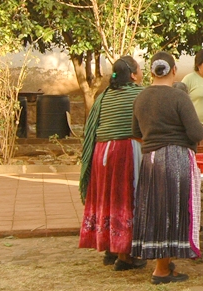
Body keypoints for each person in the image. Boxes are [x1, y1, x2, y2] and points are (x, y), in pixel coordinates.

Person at [131, 52, 203, 285]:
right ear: (174, 70)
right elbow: (197, 133)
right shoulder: (179, 97)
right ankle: (161, 270)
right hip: (175, 157)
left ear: (152, 71)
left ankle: (162, 264)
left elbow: (136, 133)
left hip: (150, 159)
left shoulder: (141, 98)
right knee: (172, 211)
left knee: (156, 209)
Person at [79, 56, 146, 270]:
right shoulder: (140, 94)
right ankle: (125, 257)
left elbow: (92, 127)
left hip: (102, 152)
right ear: (133, 75)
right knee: (125, 197)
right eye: (140, 69)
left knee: (108, 197)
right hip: (125, 150)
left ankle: (110, 248)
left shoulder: (103, 96)